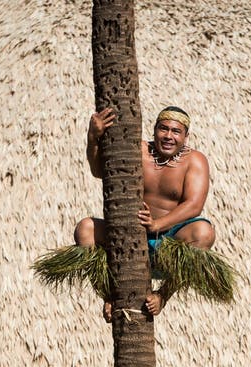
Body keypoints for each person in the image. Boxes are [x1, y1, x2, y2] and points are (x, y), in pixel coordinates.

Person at [74, 106, 215, 320]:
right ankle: (109, 296)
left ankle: (162, 296)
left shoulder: (195, 160)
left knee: (204, 233)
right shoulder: (138, 151)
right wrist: (93, 137)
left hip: (168, 242)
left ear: (186, 136)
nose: (168, 136)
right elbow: (99, 171)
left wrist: (158, 224)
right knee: (85, 229)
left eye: (176, 131)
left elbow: (194, 205)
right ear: (155, 130)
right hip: (129, 237)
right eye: (163, 129)